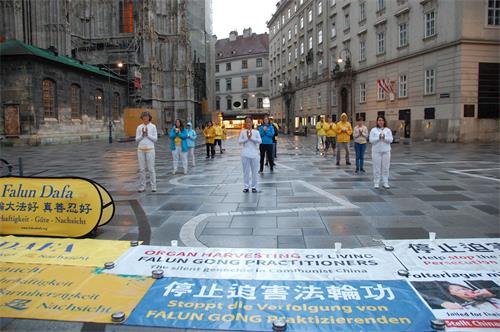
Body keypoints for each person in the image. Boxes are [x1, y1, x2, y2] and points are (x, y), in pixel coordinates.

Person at [135, 111, 157, 192]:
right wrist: (142, 135)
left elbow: (155, 139)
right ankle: (142, 186)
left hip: (150, 150)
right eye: (143, 116)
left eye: (147, 116)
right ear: (142, 118)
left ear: (149, 117)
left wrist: (148, 135)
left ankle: (153, 186)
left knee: (151, 169)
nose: (145, 118)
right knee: (142, 169)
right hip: (140, 150)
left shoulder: (153, 126)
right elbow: (136, 140)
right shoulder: (139, 127)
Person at [238, 116, 262, 193]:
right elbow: (240, 141)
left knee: (254, 171)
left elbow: (260, 141)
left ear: (252, 122)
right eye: (247, 122)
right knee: (246, 171)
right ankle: (246, 186)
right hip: (245, 154)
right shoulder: (242, 132)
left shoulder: (256, 132)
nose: (248, 123)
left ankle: (254, 186)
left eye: (249, 121)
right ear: (245, 123)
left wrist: (251, 138)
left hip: (254, 154)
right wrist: (247, 138)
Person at [369, 115, 393, 189]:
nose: (380, 122)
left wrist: (384, 137)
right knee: (377, 167)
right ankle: (376, 182)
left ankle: (385, 182)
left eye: (382, 120)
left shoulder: (387, 130)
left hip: (386, 151)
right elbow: (371, 140)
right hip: (376, 151)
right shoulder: (373, 130)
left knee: (386, 167)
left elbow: (391, 140)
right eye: (379, 120)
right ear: (377, 121)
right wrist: (378, 137)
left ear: (384, 121)